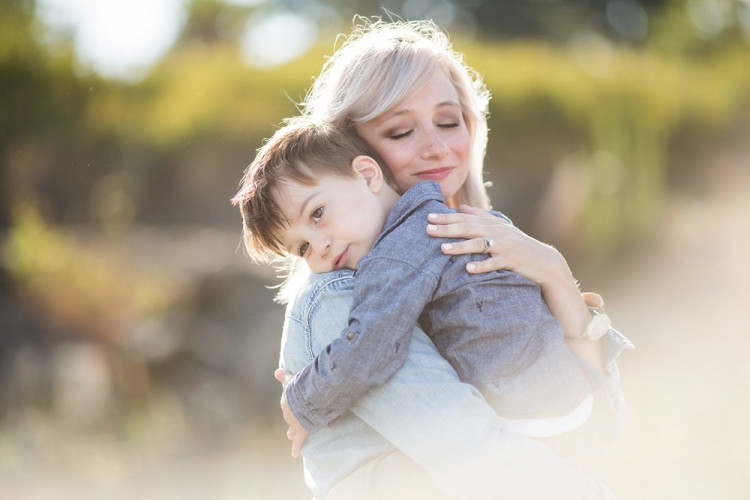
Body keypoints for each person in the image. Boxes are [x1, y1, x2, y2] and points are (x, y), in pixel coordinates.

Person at [243, 17, 632, 499]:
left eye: (449, 122)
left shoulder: (481, 242)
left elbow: (601, 430)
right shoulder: (337, 291)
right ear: (354, 152)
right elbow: (476, 455)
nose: (436, 147)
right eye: (401, 131)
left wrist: (556, 275)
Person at [234, 119, 615, 447]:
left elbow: (371, 347)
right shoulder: (450, 218)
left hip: (535, 420)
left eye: (317, 214)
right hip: (574, 392)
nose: (319, 247)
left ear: (367, 175)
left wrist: (303, 403)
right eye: (301, 248)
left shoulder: (395, 253)